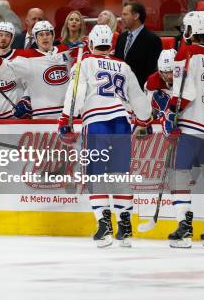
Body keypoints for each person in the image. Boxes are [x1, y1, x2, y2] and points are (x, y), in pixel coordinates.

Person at [58, 24, 153, 248]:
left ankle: (104, 226)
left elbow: (76, 93)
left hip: (98, 123)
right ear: (110, 44)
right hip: (121, 123)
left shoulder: (85, 63)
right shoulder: (123, 65)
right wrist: (144, 120)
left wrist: (65, 120)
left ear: (90, 43)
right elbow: (139, 98)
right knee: (118, 176)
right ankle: (125, 227)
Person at [161, 11, 204, 249]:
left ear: (189, 31)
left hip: (193, 126)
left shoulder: (187, 53)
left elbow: (184, 93)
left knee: (179, 174)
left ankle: (184, 229)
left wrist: (169, 115)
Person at [0, 20, 75, 119]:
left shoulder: (66, 52)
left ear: (53, 36)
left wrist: (83, 49)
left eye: (48, 34)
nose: (44, 37)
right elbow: (5, 74)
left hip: (67, 115)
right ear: (35, 38)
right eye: (40, 35)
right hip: (42, 117)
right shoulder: (27, 58)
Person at [114, 1, 163, 90]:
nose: (122, 18)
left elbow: (153, 71)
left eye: (125, 14)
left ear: (136, 16)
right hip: (120, 90)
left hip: (141, 91)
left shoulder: (152, 40)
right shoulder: (121, 37)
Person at [144, 49, 176, 118]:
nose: (169, 76)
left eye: (172, 71)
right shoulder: (152, 81)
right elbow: (148, 109)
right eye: (165, 72)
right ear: (159, 71)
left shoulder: (187, 78)